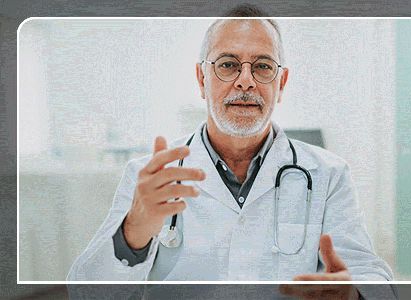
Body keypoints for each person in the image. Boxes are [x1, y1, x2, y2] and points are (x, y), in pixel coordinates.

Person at [68, 7, 393, 298]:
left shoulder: (328, 174)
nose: (245, 81)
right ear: (201, 78)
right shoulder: (149, 176)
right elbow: (85, 292)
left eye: (263, 66)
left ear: (281, 83)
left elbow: (372, 278)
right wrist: (133, 231)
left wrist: (351, 294)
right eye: (228, 65)